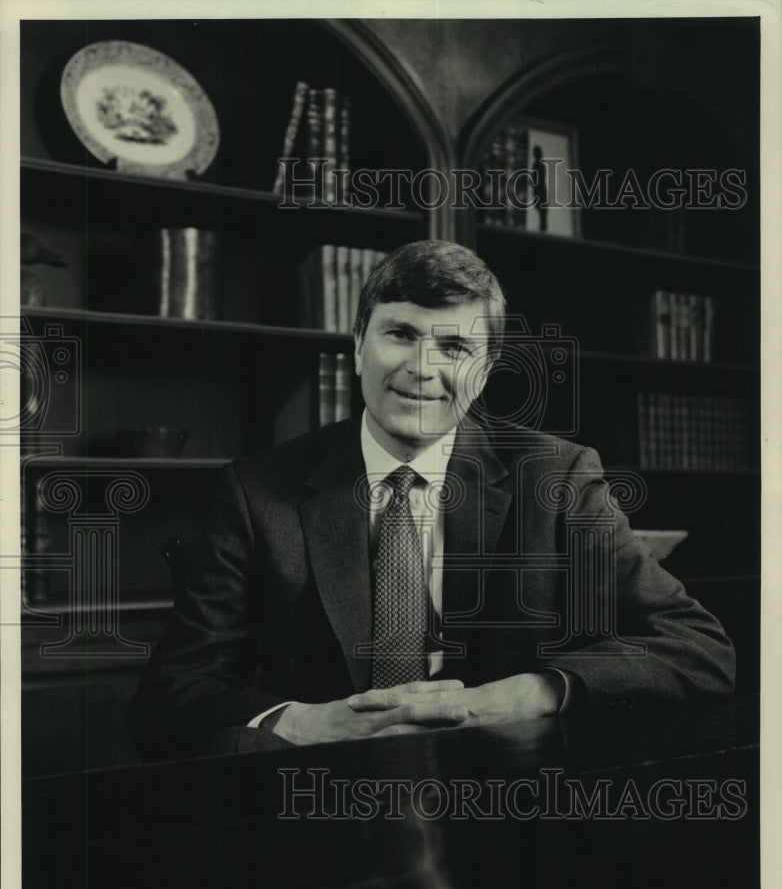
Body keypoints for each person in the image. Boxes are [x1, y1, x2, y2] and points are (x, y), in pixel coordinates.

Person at [127, 240, 735, 759]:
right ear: (359, 342)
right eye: (400, 334)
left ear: (489, 368)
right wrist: (304, 723)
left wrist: (533, 691)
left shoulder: (556, 476)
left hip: (509, 792)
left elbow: (698, 647)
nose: (422, 368)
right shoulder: (259, 488)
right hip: (322, 794)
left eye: (455, 348)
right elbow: (173, 694)